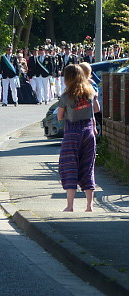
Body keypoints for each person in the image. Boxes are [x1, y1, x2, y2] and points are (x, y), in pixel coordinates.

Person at [57, 64, 100, 212]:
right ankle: (89, 206)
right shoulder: (90, 92)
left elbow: (60, 116)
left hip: (72, 133)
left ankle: (70, 206)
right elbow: (96, 109)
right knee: (88, 167)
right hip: (88, 132)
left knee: (70, 166)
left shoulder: (65, 96)